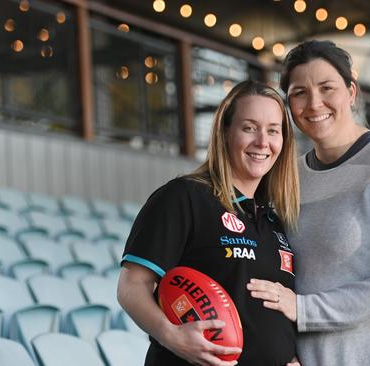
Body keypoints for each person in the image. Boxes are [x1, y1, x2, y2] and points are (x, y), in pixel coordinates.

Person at [247, 40, 370, 366]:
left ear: (351, 92)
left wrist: (304, 310)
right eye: (299, 93)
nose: (314, 103)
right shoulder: (290, 176)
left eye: (327, 88)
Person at [117, 80, 301, 366]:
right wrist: (172, 335)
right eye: (249, 128)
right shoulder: (184, 197)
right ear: (225, 131)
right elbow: (131, 286)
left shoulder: (273, 220)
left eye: (273, 131)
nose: (262, 142)